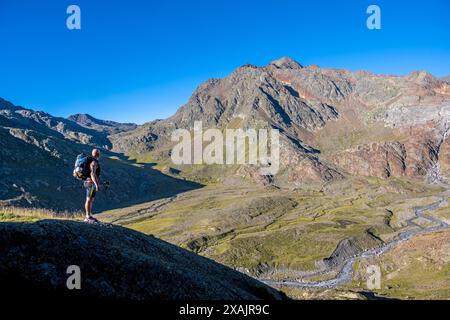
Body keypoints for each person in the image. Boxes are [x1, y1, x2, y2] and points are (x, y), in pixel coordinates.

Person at [84, 149, 101, 223]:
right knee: (89, 199)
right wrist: (96, 184)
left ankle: (89, 216)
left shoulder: (92, 161)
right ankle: (87, 217)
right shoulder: (94, 162)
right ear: (98, 154)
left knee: (91, 199)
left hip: (89, 182)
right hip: (90, 183)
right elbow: (92, 174)